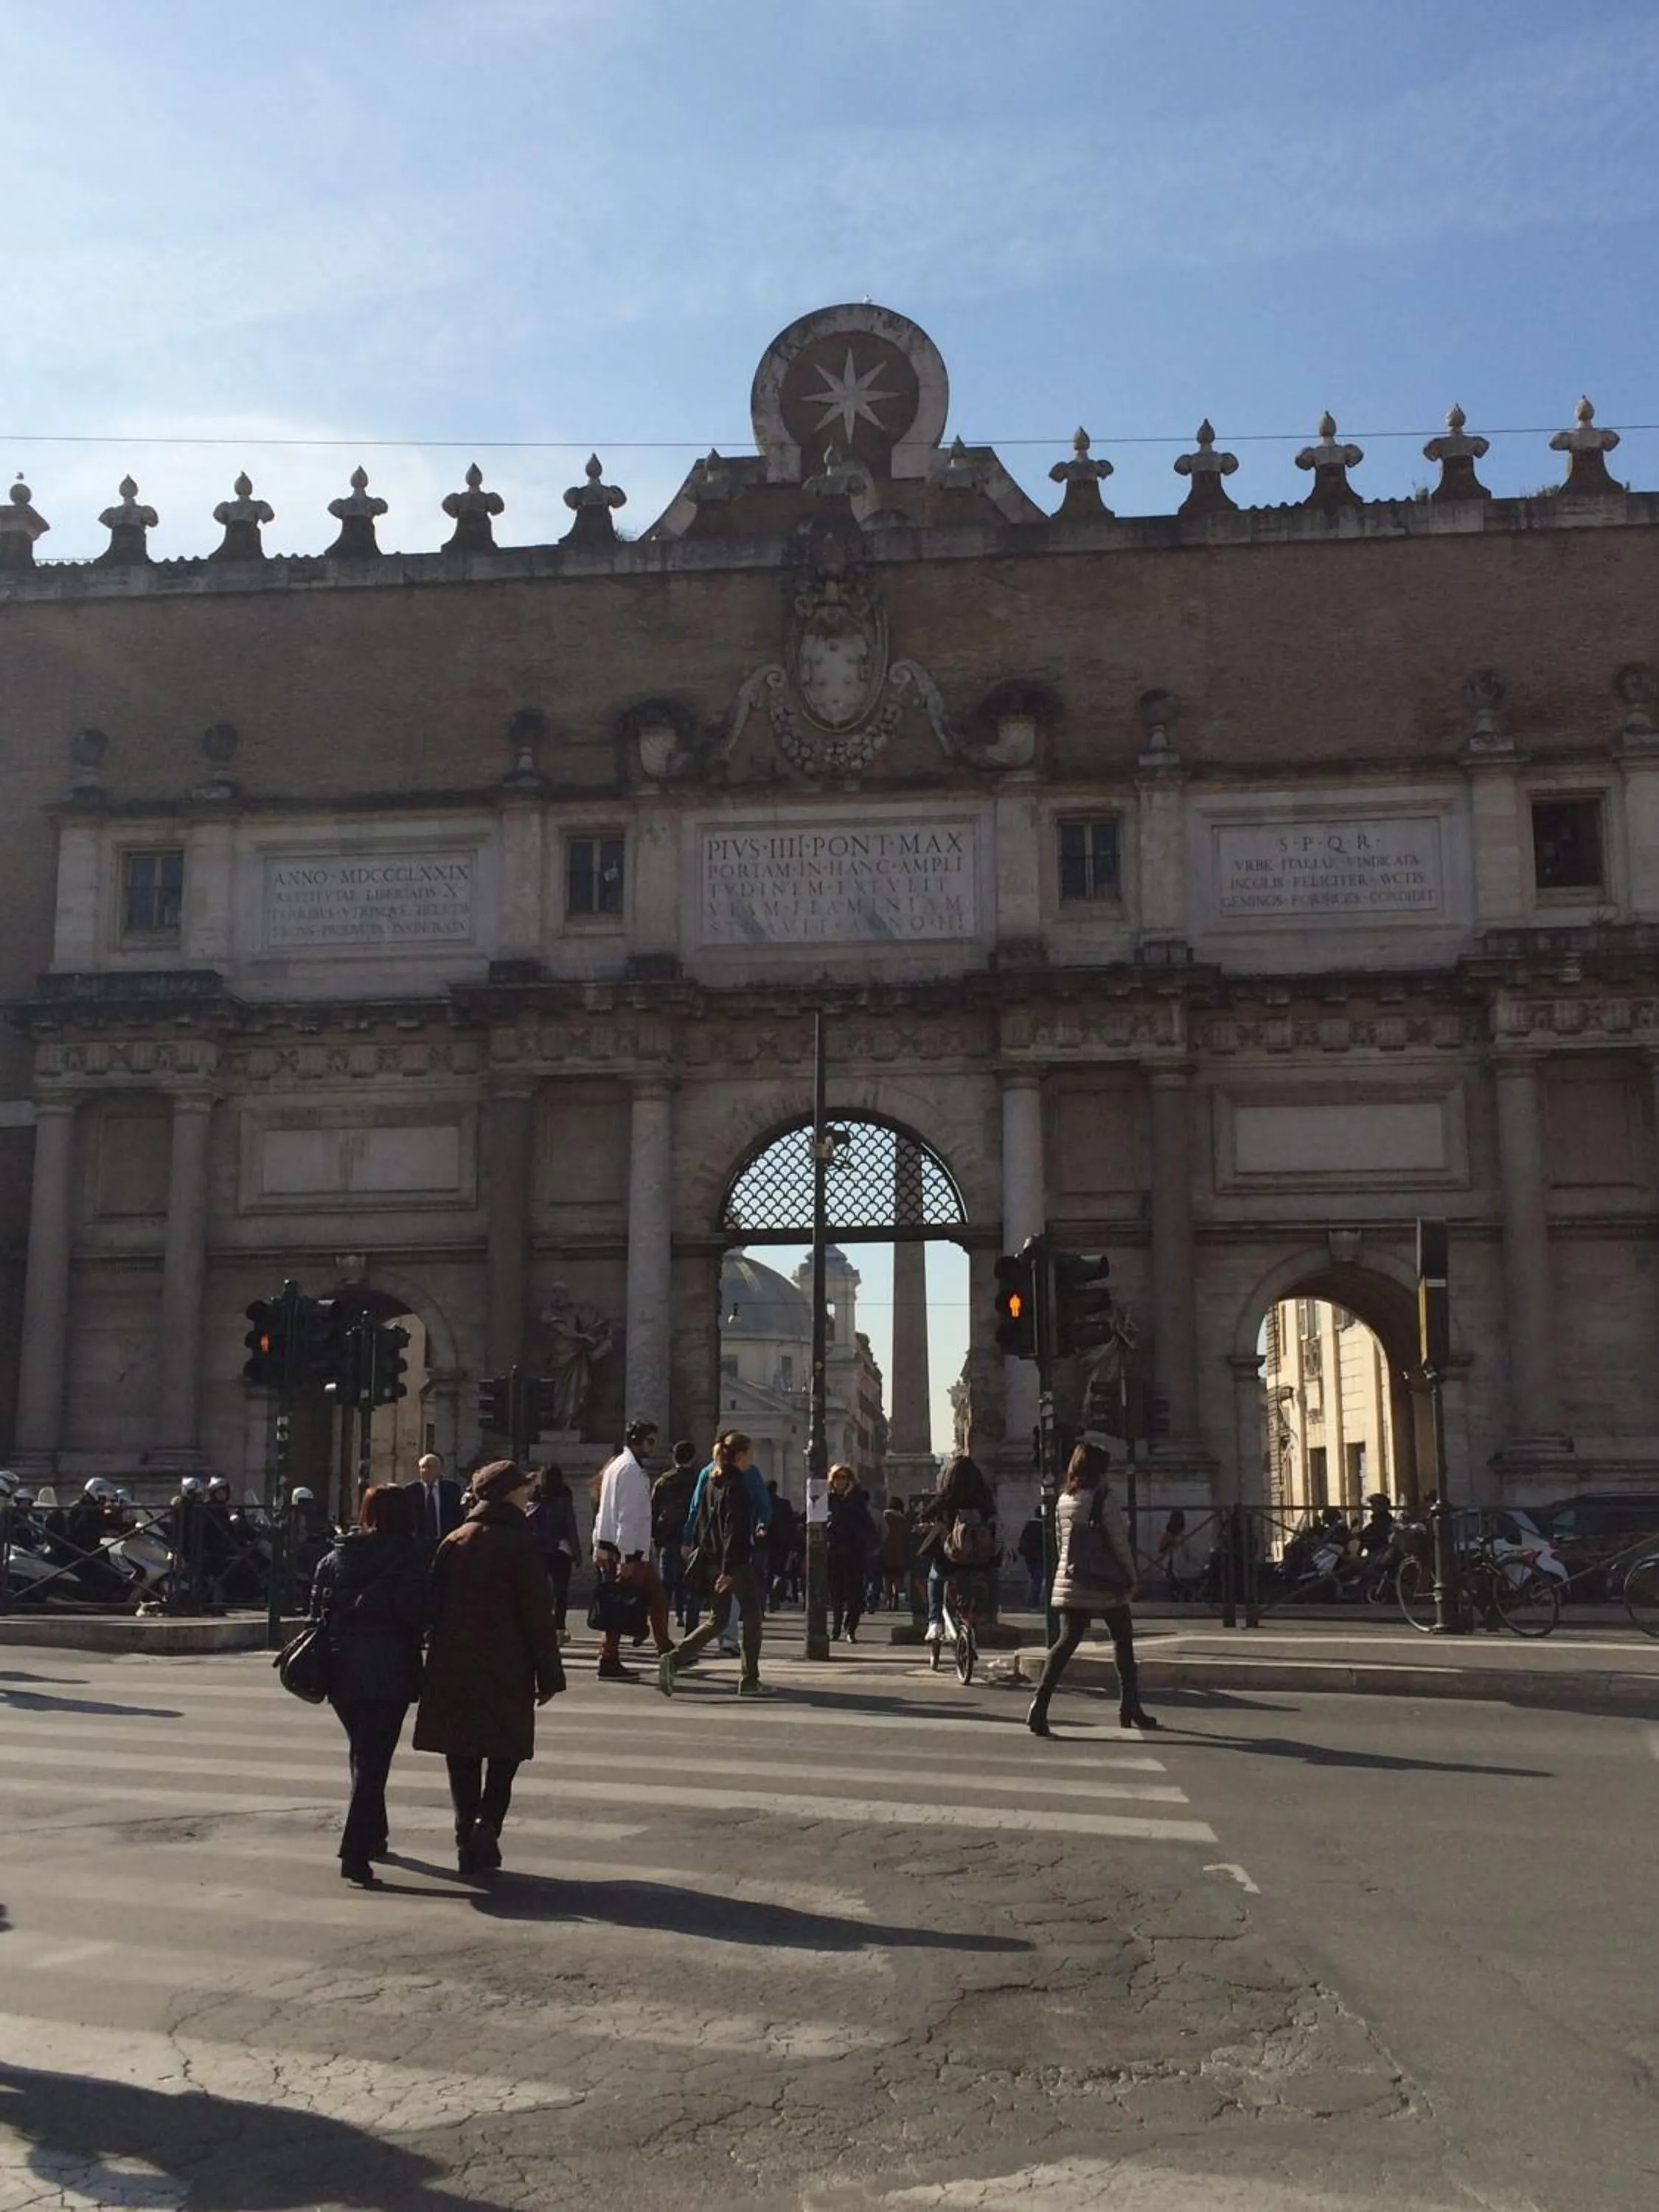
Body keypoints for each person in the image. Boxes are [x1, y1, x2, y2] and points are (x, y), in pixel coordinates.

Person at [413, 1459, 565, 1877]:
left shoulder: (455, 1540)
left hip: (454, 1664)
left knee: (461, 1753)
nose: (529, 1494)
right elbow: (538, 1617)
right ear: (507, 1495)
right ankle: (488, 1825)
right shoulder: (521, 1545)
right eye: (523, 1489)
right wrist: (549, 1675)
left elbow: (432, 1606)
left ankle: (466, 1834)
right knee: (504, 1754)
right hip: (507, 1667)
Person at [310, 1484, 431, 1889]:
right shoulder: (412, 1555)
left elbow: (315, 1610)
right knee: (372, 1761)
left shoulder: (337, 1555)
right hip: (390, 1669)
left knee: (363, 1753)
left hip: (340, 1667)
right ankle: (355, 1852)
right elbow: (418, 1611)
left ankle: (375, 1836)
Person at [1026, 1438, 1158, 1737]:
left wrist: (1072, 1573)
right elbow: (1118, 1542)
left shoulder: (1064, 1499)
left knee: (1065, 1643)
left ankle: (1040, 1705)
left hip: (1073, 1579)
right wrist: (1131, 1576)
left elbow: (1062, 1547)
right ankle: (1130, 1705)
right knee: (1123, 1641)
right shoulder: (1102, 1498)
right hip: (1105, 1582)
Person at [658, 1431, 770, 1698]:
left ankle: (673, 1659)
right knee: (753, 1616)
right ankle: (750, 1678)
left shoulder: (711, 1480)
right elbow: (735, 1530)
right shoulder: (738, 1485)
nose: (752, 1459)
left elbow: (700, 1518)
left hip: (710, 1558)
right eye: (750, 1454)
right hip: (734, 1562)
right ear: (741, 1455)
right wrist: (730, 1570)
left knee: (718, 1620)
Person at [592, 1419, 674, 1681]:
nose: (653, 1446)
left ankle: (667, 1650)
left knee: (657, 1599)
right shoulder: (629, 1470)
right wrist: (627, 1555)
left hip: (635, 1550)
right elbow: (626, 1516)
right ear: (636, 1440)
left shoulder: (618, 1466)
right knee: (619, 1604)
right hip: (631, 1552)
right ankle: (608, 1657)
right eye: (650, 1441)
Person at [916, 1454, 998, 1647]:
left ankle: (935, 1622)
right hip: (978, 1556)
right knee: (973, 1578)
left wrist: (923, 1522)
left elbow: (924, 1515)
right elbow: (993, 1516)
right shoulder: (984, 1496)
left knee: (935, 1577)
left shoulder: (946, 1497)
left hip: (951, 1556)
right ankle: (973, 1615)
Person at [524, 1464, 581, 1641]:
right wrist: (577, 1552)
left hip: (538, 1549)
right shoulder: (564, 1495)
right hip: (561, 1549)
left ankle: (539, 1625)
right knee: (561, 1592)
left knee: (540, 1591)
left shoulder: (536, 1495)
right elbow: (570, 1525)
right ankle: (559, 1629)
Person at [653, 1440, 701, 1630]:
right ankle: (691, 1631)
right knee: (692, 1588)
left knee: (666, 1587)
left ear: (674, 1457)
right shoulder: (700, 1481)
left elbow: (654, 1510)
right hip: (693, 1539)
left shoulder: (663, 1481)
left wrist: (656, 1538)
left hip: (669, 1537)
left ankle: (661, 1629)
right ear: (693, 1458)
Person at [825, 1463, 876, 1642]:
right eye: (838, 1478)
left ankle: (850, 1629)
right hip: (834, 1552)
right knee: (836, 1594)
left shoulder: (857, 1499)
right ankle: (836, 1628)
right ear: (832, 1480)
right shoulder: (827, 1500)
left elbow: (865, 1523)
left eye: (845, 1478)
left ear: (850, 1480)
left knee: (855, 1594)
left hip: (854, 1552)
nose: (841, 1481)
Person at [404, 1452, 464, 1547]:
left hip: (446, 1542)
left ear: (439, 1470)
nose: (425, 1470)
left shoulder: (451, 1489)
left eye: (429, 1467)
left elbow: (458, 1515)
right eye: (422, 1467)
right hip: (418, 1545)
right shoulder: (411, 1490)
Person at [879, 1497, 913, 1612]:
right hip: (900, 1554)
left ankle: (888, 1598)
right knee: (898, 1576)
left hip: (885, 1553)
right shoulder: (903, 1521)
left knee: (887, 1577)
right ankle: (896, 1595)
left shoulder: (884, 1518)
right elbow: (908, 1538)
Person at [1016, 1511, 1046, 1607]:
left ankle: (1032, 1601)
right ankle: (1036, 1602)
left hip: (1029, 1557)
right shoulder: (1043, 1527)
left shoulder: (1029, 1526)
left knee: (1033, 1579)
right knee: (1039, 1580)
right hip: (1040, 1557)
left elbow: (1022, 1541)